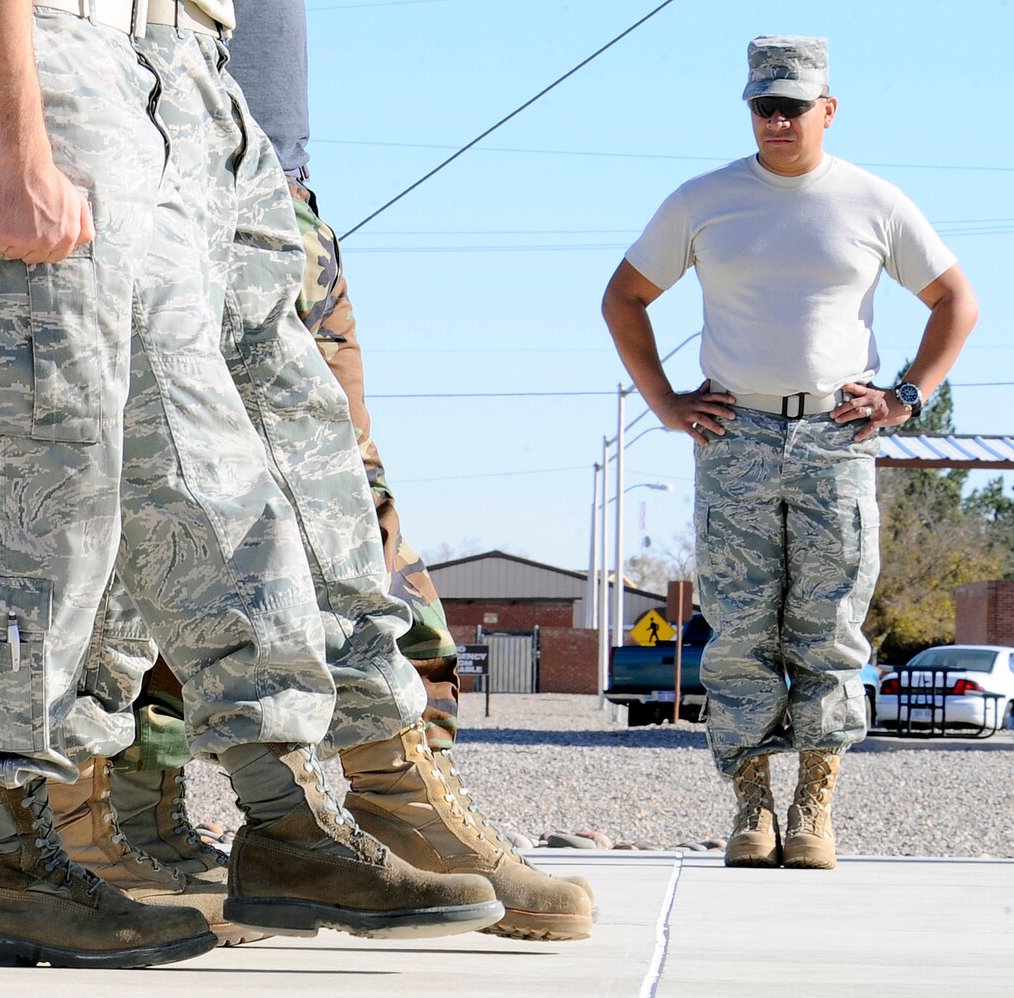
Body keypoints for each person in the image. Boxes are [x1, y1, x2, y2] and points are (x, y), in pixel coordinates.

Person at [0, 0, 503, 969]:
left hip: (139, 70)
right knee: (45, 486)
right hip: (31, 50)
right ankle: (0, 855)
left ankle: (282, 813)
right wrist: (18, 146)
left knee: (205, 472)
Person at [66, 0, 594, 944]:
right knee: (155, 500)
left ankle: (397, 791)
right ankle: (132, 820)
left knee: (344, 501)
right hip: (128, 167)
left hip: (270, 189)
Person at [601, 35, 977, 870]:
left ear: (827, 110)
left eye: (792, 107)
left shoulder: (873, 202)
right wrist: (664, 402)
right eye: (763, 107)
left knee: (831, 623)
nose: (776, 120)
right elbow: (625, 295)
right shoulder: (704, 201)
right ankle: (751, 807)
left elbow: (956, 300)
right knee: (738, 627)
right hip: (736, 435)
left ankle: (813, 805)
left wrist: (905, 395)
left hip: (835, 438)